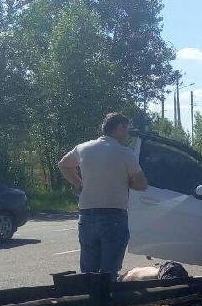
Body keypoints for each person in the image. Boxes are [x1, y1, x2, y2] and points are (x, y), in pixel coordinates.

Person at [58, 112, 148, 276]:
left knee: (88, 271)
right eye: (127, 129)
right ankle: (106, 299)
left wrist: (79, 183)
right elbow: (142, 184)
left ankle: (89, 299)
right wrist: (125, 181)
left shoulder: (83, 148)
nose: (127, 134)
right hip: (113, 217)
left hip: (86, 216)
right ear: (120, 128)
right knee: (109, 271)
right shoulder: (125, 153)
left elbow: (64, 165)